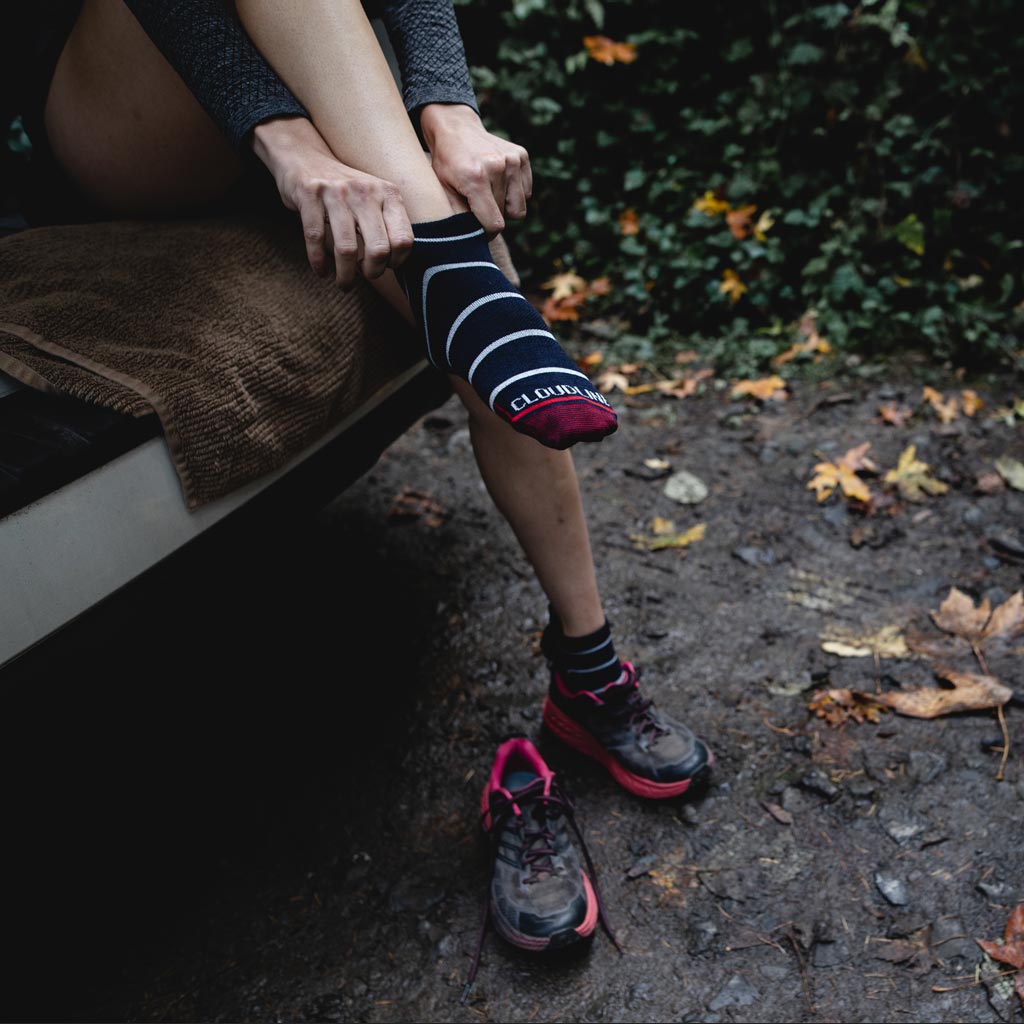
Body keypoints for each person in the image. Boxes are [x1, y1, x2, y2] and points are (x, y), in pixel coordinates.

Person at [8, 0, 713, 968]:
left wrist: (449, 113)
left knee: (484, 306)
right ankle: (455, 264)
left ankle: (589, 677)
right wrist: (286, 143)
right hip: (122, 108)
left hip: (297, 59)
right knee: (472, 276)